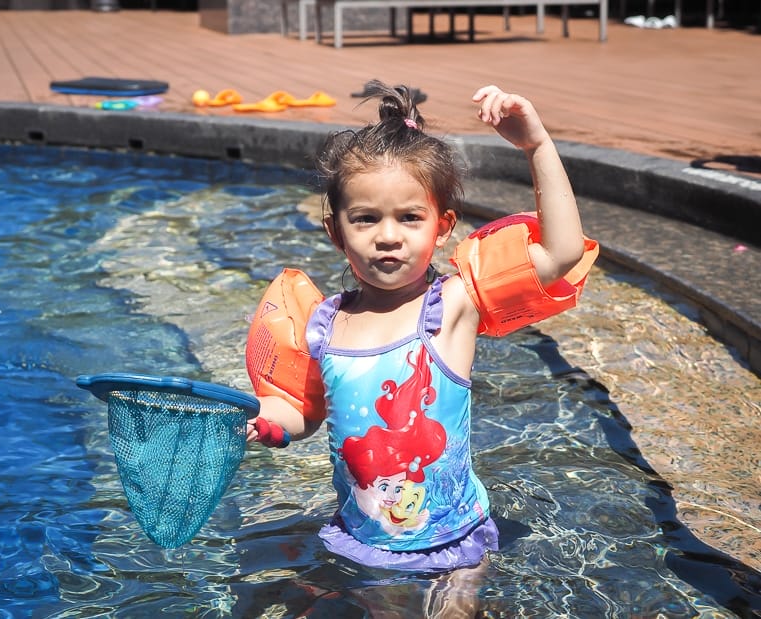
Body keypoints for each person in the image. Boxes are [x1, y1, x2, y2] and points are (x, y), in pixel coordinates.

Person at [244, 81, 598, 613]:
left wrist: (537, 146)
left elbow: (563, 250)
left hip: (453, 545)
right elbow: (302, 413)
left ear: (443, 227)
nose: (389, 236)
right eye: (365, 218)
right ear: (335, 231)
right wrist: (269, 422)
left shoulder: (453, 305)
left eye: (410, 217)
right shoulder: (321, 324)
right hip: (362, 539)